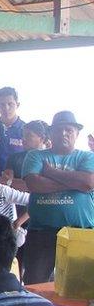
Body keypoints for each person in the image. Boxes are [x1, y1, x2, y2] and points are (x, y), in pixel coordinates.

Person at [22, 111, 94, 284]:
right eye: (58, 130)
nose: (63, 133)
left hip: (80, 232)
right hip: (41, 231)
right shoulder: (35, 155)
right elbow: (34, 184)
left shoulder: (87, 156)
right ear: (50, 134)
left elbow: (88, 183)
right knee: (35, 285)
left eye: (68, 130)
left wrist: (51, 173)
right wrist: (73, 182)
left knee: (80, 287)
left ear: (77, 133)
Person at [2, 119, 48, 190]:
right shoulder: (14, 158)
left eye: (29, 135)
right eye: (23, 135)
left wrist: (12, 182)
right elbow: (4, 182)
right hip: (16, 199)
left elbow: (46, 185)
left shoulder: (50, 158)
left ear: (42, 138)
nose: (23, 139)